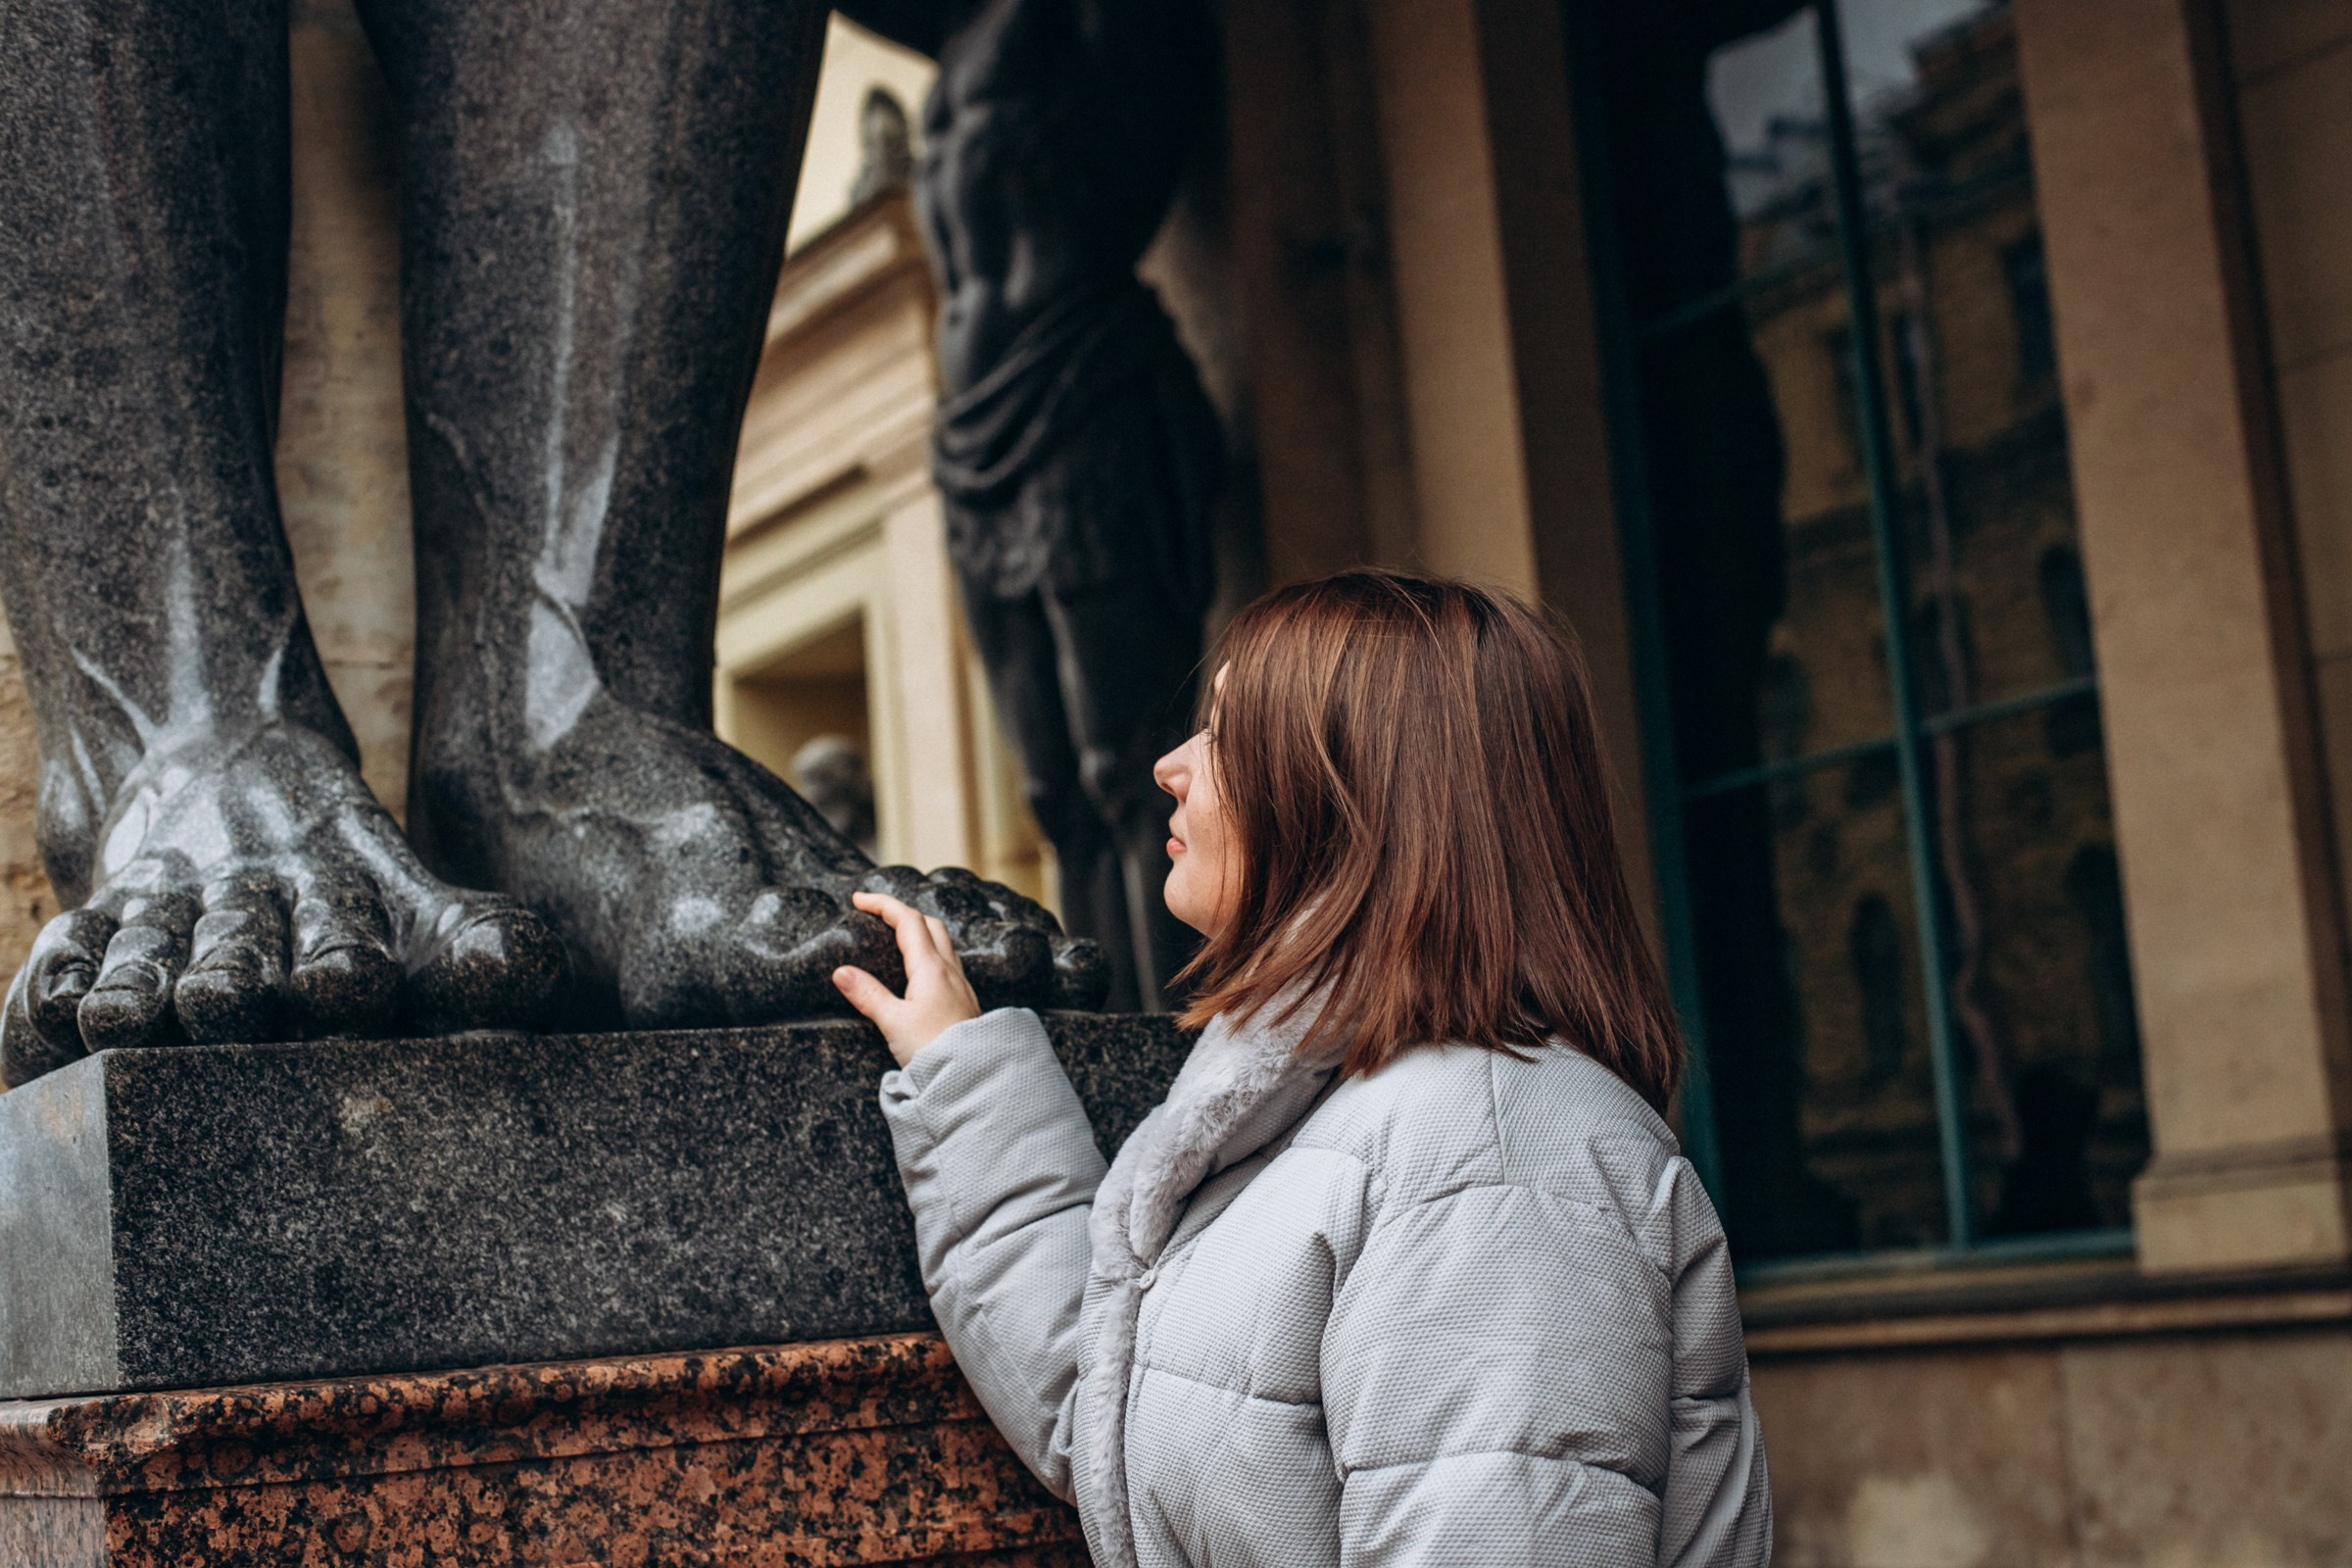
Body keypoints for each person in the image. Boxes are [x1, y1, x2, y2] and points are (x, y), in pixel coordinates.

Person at [833, 570, 1772, 1567]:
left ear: (1357, 791)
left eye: (1229, 733)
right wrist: (962, 1071)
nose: (1169, 765)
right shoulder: (1343, 1110)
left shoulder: (1493, 1162)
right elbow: (1115, 1406)